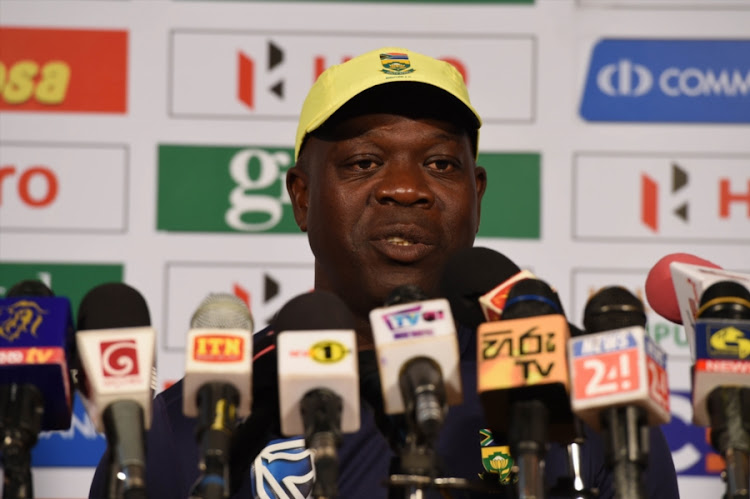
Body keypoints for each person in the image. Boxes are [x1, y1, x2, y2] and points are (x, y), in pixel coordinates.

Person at [89, 47, 679, 498]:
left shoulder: (589, 393)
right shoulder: (200, 419)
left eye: (440, 163)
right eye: (365, 162)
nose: (405, 189)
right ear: (301, 196)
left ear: (476, 195)